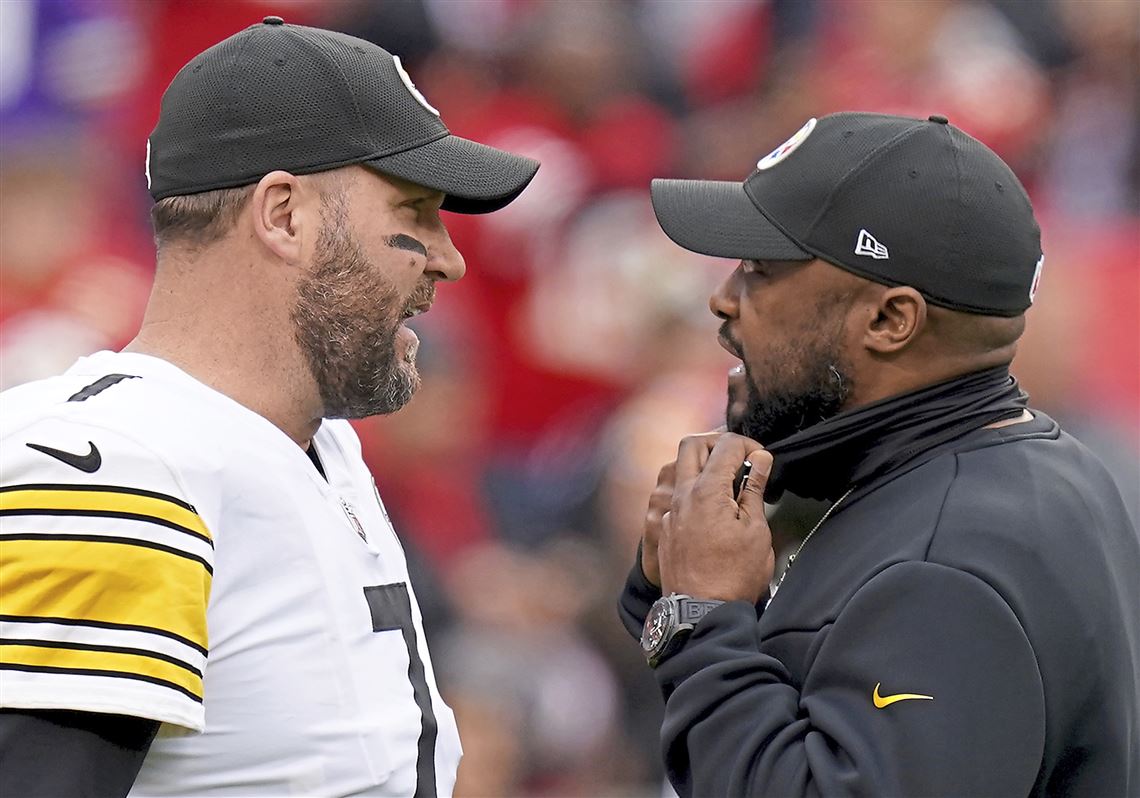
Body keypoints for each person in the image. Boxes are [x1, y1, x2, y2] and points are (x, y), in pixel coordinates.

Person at [0, 17, 538, 798]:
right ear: (284, 215)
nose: (449, 258)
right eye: (415, 212)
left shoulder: (316, 443)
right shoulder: (118, 461)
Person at [618, 112, 1140, 796]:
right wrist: (669, 596)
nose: (721, 299)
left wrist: (702, 617)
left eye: (759, 270)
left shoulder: (946, 564)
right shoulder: (1019, 465)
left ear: (890, 320)